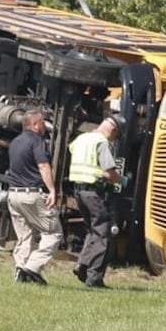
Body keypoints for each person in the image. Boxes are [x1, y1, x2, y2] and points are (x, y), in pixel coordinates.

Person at [6, 108, 59, 285]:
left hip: (13, 195)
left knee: (24, 235)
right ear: (35, 125)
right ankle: (33, 267)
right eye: (43, 122)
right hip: (32, 194)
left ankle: (20, 270)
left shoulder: (15, 142)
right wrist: (52, 190)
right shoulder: (37, 141)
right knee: (53, 232)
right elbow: (43, 166)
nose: (45, 126)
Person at [68, 116, 122, 289]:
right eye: (115, 136)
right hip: (93, 192)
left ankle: (82, 266)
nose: (114, 140)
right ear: (112, 130)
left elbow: (72, 151)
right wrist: (123, 180)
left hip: (78, 191)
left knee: (93, 229)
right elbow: (109, 173)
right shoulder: (101, 142)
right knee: (103, 231)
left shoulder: (81, 139)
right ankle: (94, 277)